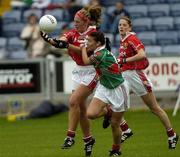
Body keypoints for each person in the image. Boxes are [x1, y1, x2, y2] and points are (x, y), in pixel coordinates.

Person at [103, 16, 179, 149]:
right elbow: (122, 62)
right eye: (120, 25)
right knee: (111, 104)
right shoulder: (123, 41)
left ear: (130, 27)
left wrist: (124, 60)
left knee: (154, 108)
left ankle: (172, 134)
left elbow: (142, 55)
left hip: (135, 77)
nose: (121, 27)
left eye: (124, 25)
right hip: (124, 77)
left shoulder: (132, 39)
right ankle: (126, 129)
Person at [40, 5, 102, 156]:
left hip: (91, 71)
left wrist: (67, 45)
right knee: (81, 109)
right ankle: (88, 139)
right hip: (78, 71)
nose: (75, 24)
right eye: (74, 21)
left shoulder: (93, 34)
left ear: (86, 22)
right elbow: (61, 41)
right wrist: (49, 39)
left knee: (73, 101)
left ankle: (70, 136)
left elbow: (85, 51)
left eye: (78, 21)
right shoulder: (72, 33)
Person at [81, 31, 130, 156]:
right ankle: (108, 112)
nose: (87, 43)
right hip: (104, 87)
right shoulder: (99, 52)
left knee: (115, 124)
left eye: (89, 41)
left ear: (98, 43)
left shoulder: (100, 54)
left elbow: (86, 61)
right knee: (90, 114)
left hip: (118, 89)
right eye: (86, 41)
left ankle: (116, 149)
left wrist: (82, 48)